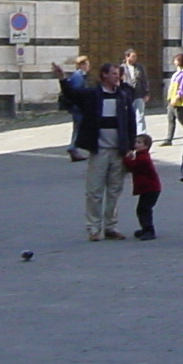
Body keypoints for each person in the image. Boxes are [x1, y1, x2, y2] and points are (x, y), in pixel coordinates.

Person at [69, 63, 138, 242]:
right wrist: (62, 79)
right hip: (99, 150)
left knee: (114, 190)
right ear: (104, 75)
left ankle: (111, 227)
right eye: (114, 74)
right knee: (95, 191)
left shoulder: (123, 95)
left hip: (119, 151)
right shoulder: (93, 95)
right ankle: (93, 227)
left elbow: (131, 122)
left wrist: (131, 146)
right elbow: (72, 96)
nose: (118, 77)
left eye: (118, 74)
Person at [126, 135, 162, 240]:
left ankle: (149, 230)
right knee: (143, 208)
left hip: (151, 188)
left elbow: (133, 166)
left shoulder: (143, 157)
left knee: (144, 209)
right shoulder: (140, 155)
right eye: (136, 142)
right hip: (148, 188)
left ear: (146, 146)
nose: (136, 144)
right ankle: (145, 228)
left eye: (139, 142)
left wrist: (126, 158)